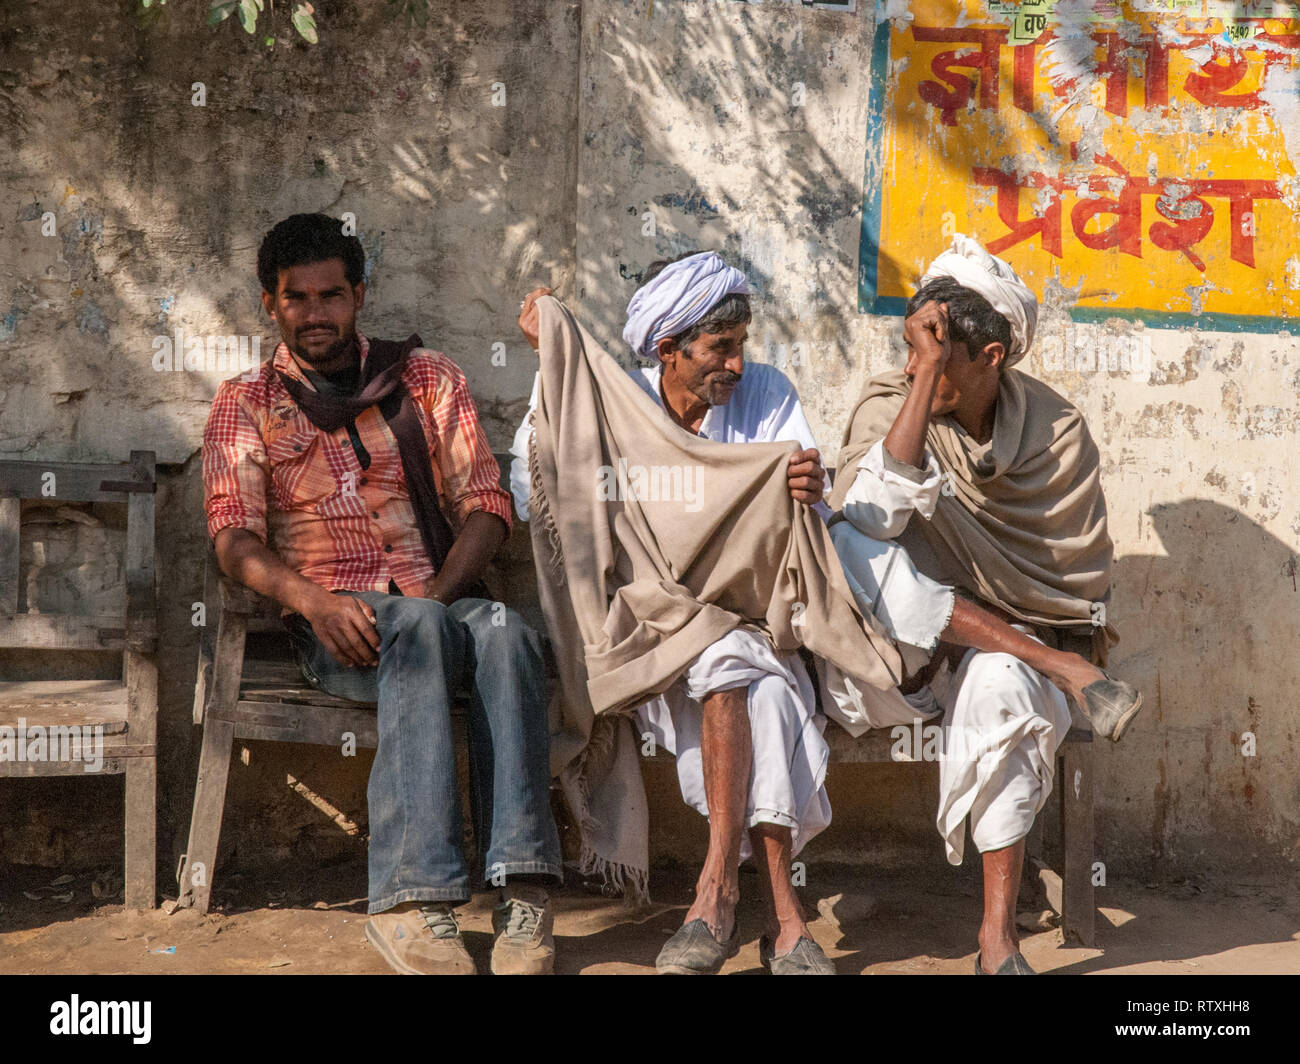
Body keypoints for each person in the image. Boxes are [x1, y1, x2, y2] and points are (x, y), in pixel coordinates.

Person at [202, 212, 561, 975]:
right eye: (296, 299)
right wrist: (314, 604)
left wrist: (436, 594)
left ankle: (523, 893)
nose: (315, 314)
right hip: (332, 625)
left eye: (331, 296)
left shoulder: (427, 378)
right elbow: (233, 538)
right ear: (271, 304)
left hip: (436, 595)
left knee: (507, 632)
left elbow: (487, 506)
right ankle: (411, 903)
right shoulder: (246, 403)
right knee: (419, 632)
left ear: (359, 296)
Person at [825, 233, 1141, 975]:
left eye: (937, 352)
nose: (913, 365)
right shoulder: (892, 404)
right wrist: (926, 376)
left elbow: (1071, 583)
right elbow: (867, 518)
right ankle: (1057, 666)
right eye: (911, 348)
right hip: (898, 658)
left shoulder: (1056, 433)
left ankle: (997, 940)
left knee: (1003, 685)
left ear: (992, 357)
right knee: (847, 545)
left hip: (1001, 652)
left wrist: (1013, 642)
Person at [514, 252, 837, 975]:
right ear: (669, 349)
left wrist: (811, 485)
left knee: (756, 683)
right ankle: (786, 920)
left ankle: (715, 894)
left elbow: (806, 502)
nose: (738, 363)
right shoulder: (614, 407)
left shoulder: (767, 396)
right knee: (749, 682)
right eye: (721, 348)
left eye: (742, 344)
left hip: (754, 621)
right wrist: (555, 356)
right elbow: (538, 479)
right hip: (649, 627)